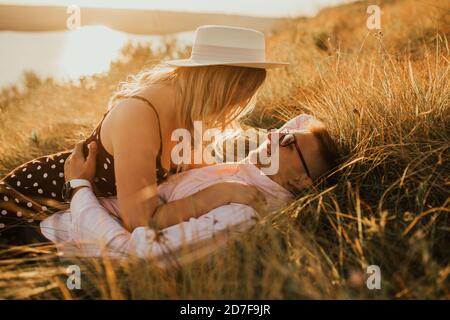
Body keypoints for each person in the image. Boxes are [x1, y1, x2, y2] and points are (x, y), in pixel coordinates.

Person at [0, 25, 289, 246]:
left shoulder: (193, 112)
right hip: (29, 208)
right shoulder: (141, 115)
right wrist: (223, 192)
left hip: (76, 219)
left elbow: (201, 171)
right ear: (220, 81)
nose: (241, 101)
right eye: (242, 89)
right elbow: (141, 221)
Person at [41, 115, 341, 260]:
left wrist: (78, 187)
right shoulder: (248, 174)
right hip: (54, 217)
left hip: (51, 246)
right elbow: (303, 121)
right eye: (282, 131)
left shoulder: (243, 212)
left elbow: (137, 255)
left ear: (302, 181)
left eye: (288, 141)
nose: (275, 133)